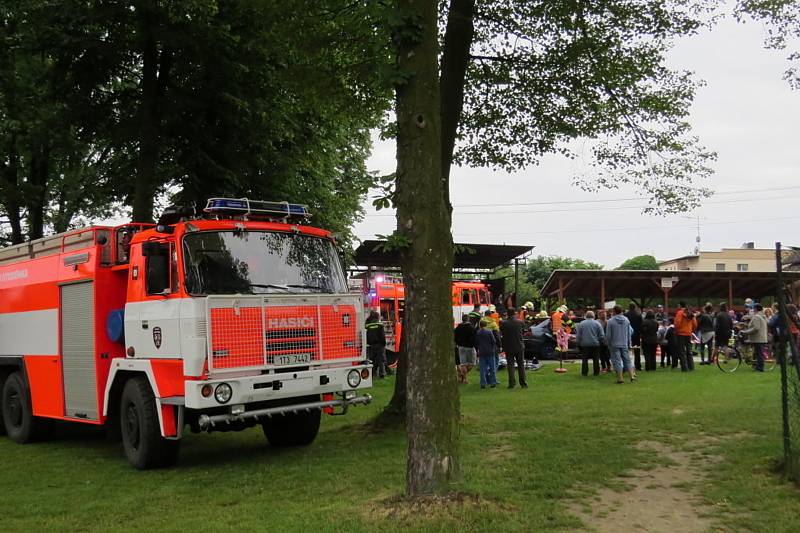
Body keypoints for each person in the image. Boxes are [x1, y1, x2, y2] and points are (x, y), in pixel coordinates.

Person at [606, 305, 636, 384]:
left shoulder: (610, 321)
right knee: (627, 360)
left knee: (617, 361)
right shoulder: (626, 320)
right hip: (624, 343)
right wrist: (629, 343)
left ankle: (620, 378)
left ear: (614, 311)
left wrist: (608, 343)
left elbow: (608, 335)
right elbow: (629, 333)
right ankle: (632, 376)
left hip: (614, 344)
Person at [500, 307, 528, 388]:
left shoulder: (504, 323)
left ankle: (511, 383)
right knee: (521, 365)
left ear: (507, 314)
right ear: (515, 313)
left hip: (508, 347)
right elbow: (523, 331)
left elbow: (502, 333)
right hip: (519, 346)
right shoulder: (520, 322)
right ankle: (523, 383)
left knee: (510, 365)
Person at [576, 310, 604, 376]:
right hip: (595, 344)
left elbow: (579, 335)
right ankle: (596, 372)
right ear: (593, 316)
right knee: (596, 359)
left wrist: (578, 343)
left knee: (584, 359)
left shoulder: (581, 324)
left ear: (586, 316)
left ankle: (584, 373)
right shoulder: (597, 323)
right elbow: (602, 335)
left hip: (584, 344)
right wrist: (600, 342)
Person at [741, 304, 768, 371]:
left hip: (758, 338)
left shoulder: (757, 316)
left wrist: (746, 332)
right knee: (757, 353)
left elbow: (756, 328)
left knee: (759, 354)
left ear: (755, 309)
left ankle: (760, 368)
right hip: (760, 338)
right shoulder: (762, 316)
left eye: (753, 308)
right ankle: (757, 367)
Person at [674, 301, 697, 371]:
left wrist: (676, 331)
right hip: (688, 333)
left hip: (681, 334)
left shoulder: (680, 313)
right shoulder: (690, 312)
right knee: (689, 351)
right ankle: (691, 367)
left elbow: (677, 323)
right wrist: (691, 330)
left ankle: (684, 368)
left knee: (682, 351)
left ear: (680, 305)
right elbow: (695, 324)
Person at [475, 318, 498, 388]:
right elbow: (493, 341)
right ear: (486, 325)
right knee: (492, 368)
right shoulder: (489, 332)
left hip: (481, 352)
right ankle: (493, 382)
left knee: (482, 369)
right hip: (490, 351)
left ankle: (483, 383)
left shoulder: (478, 332)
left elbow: (476, 342)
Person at [454, 314, 477, 384]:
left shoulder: (458, 328)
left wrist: (458, 343)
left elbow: (455, 337)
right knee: (472, 363)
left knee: (463, 363)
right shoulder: (472, 328)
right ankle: (464, 377)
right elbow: (474, 338)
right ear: (468, 319)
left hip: (461, 347)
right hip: (470, 347)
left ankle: (463, 377)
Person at [365, 310, 387, 379]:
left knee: (371, 360)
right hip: (380, 345)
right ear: (377, 317)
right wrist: (384, 343)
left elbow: (366, 335)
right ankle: (382, 374)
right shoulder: (379, 325)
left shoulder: (368, 325)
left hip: (371, 345)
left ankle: (371, 374)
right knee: (381, 360)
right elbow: (382, 336)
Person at [484, 310, 502, 385]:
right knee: (496, 361)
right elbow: (497, 336)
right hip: (493, 346)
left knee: (486, 363)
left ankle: (486, 378)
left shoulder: (481, 323)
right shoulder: (493, 323)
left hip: (484, 345)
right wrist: (500, 345)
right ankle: (492, 378)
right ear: (490, 315)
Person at [625, 303, 643, 372]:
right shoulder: (638, 315)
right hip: (636, 335)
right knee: (637, 351)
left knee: (626, 351)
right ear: (635, 307)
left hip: (627, 335)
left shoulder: (626, 315)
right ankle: (638, 366)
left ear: (629, 307)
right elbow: (641, 325)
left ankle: (627, 366)